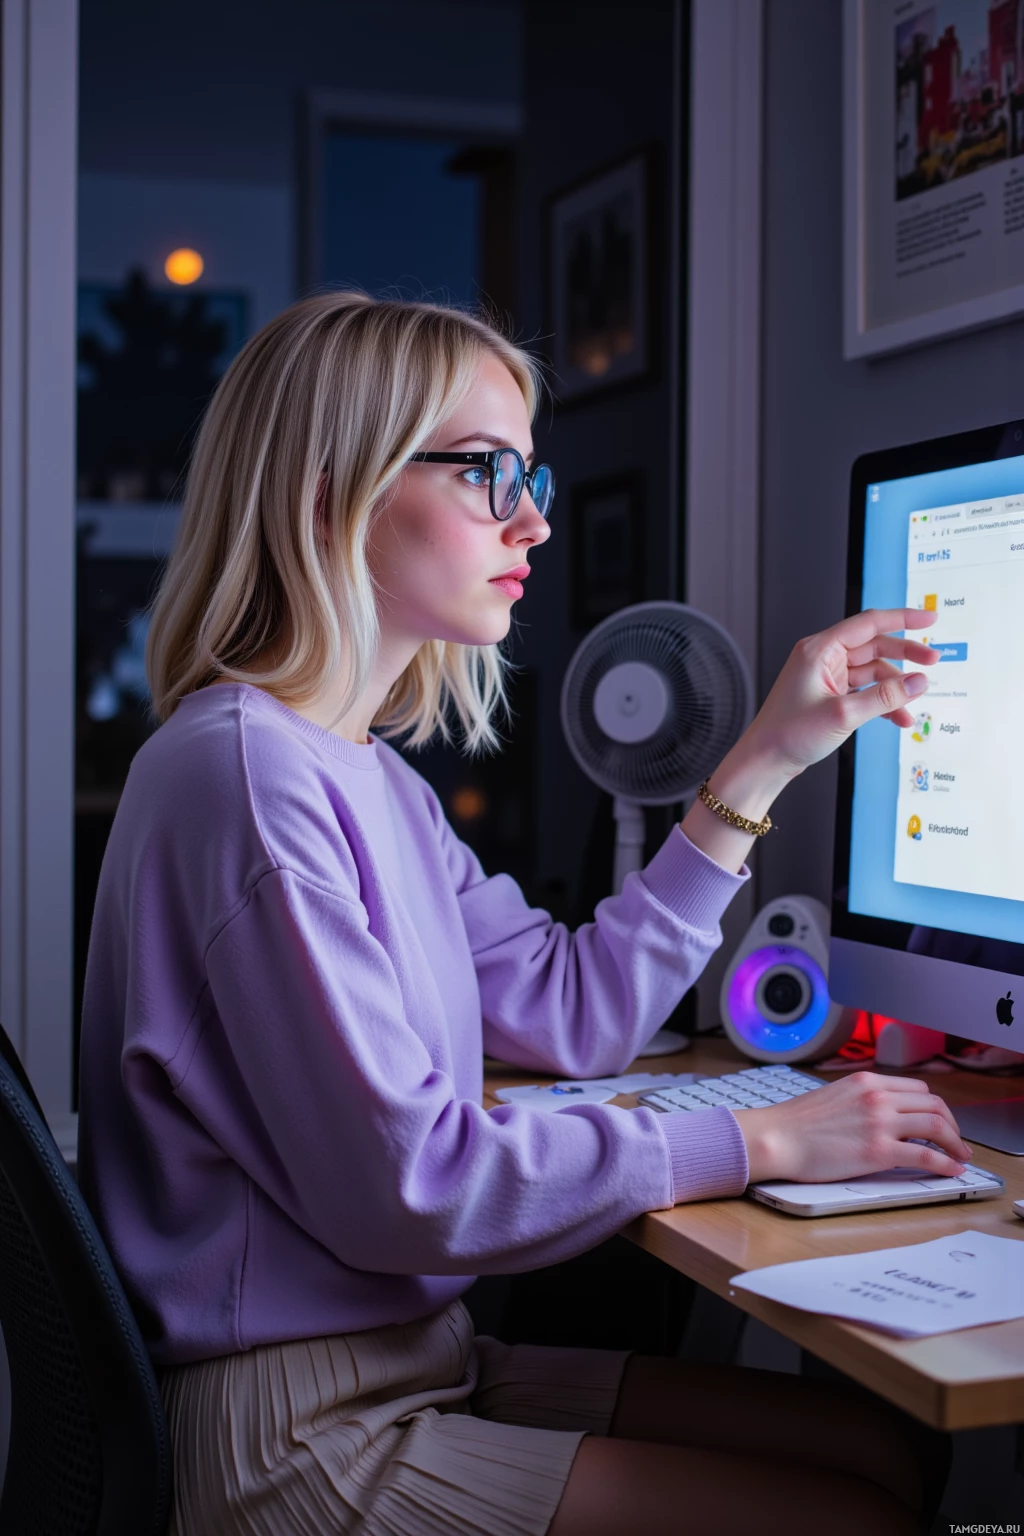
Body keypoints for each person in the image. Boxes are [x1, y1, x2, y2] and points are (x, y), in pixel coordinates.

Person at [78, 292, 960, 1536]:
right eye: (490, 474)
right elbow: (413, 1186)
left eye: (527, 474)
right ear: (334, 491)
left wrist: (763, 759)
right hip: (292, 1436)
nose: (534, 518)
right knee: (854, 1511)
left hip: (412, 1358)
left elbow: (574, 1013)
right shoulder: (246, 776)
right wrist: (763, 1142)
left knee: (884, 1448)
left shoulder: (359, 773)